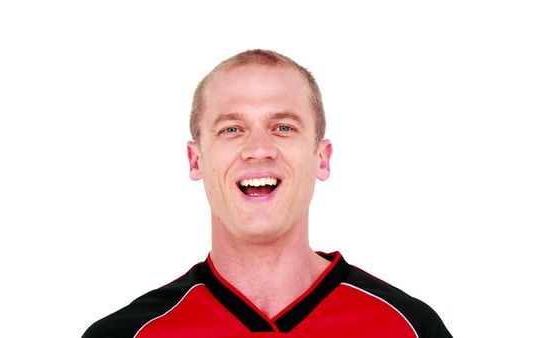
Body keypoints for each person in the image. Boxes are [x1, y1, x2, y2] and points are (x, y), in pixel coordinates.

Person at [82, 49, 452, 338]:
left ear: (322, 159)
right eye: (231, 129)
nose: (259, 148)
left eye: (283, 127)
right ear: (196, 160)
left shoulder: (411, 329)